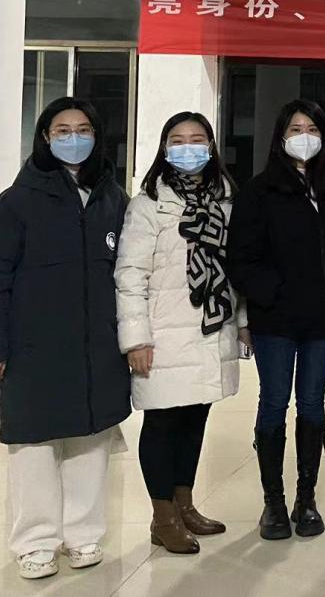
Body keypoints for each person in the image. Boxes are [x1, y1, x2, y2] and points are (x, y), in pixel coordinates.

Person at [0, 98, 130, 580]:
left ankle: (83, 533)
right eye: (62, 130)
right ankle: (35, 541)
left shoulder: (113, 200)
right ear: (44, 138)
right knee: (34, 447)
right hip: (32, 349)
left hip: (97, 348)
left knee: (90, 443)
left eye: (84, 129)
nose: (74, 138)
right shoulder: (12, 205)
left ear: (97, 136)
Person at [227, 100, 325, 540]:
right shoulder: (259, 191)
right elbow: (241, 257)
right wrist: (271, 294)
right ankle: (273, 502)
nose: (304, 136)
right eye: (295, 129)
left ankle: (306, 498)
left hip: (323, 319)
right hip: (275, 319)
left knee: (312, 402)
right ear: (281, 137)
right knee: (273, 401)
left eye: (312, 129)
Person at [115, 111, 249, 554]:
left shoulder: (226, 201)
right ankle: (163, 517)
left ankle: (185, 504)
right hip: (163, 334)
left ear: (211, 146)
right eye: (177, 139)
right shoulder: (149, 203)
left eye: (196, 139)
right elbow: (130, 274)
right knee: (162, 422)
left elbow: (235, 270)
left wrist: (242, 323)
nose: (187, 147)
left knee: (194, 419)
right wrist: (136, 338)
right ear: (164, 147)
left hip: (210, 329)